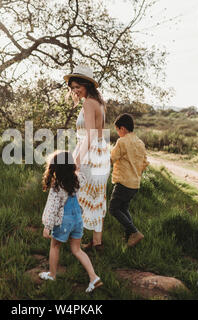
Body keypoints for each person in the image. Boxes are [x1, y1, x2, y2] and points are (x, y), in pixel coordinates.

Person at [39, 151, 103, 293]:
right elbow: (84, 173)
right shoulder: (77, 179)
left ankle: (52, 274)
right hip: (77, 219)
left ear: (55, 168)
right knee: (77, 249)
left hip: (64, 221)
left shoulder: (57, 187)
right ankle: (93, 277)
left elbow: (52, 208)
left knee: (55, 246)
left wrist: (47, 227)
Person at [64, 65, 110, 251]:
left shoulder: (88, 103)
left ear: (87, 85)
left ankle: (73, 239)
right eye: (72, 87)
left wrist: (77, 158)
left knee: (77, 194)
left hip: (90, 153)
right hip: (100, 152)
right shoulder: (98, 103)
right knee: (96, 195)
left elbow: (90, 134)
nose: (75, 90)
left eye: (78, 86)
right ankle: (97, 242)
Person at [110, 113, 149, 247]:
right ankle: (129, 237)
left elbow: (112, 158)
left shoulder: (122, 141)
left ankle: (134, 232)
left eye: (117, 130)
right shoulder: (140, 142)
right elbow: (144, 163)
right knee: (124, 208)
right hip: (135, 183)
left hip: (123, 182)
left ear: (122, 128)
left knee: (113, 209)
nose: (118, 133)